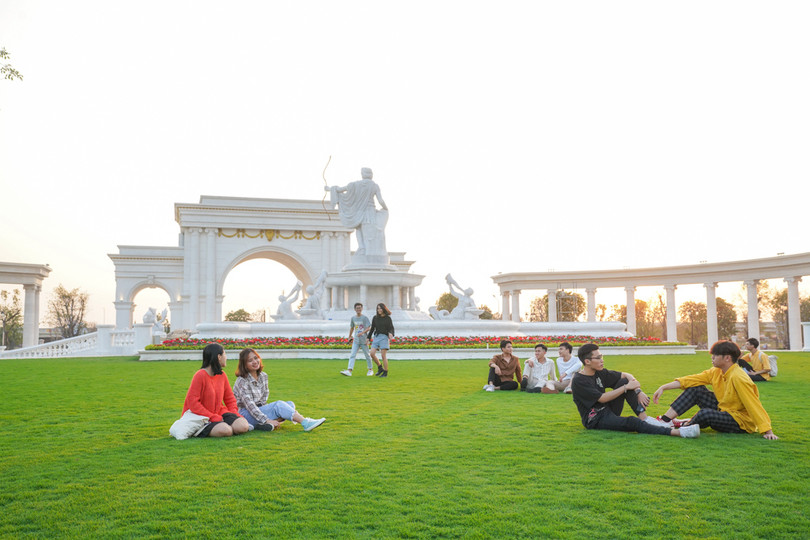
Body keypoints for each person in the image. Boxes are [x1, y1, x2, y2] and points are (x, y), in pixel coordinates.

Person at [652, 340, 778, 440]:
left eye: (715, 355)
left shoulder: (738, 377)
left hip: (740, 421)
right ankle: (665, 421)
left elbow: (753, 404)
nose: (712, 358)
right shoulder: (716, 371)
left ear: (727, 358)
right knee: (696, 389)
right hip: (724, 409)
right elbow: (691, 380)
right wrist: (664, 387)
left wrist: (768, 431)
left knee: (705, 414)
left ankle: (683, 428)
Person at [570, 343, 700, 438]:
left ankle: (646, 419)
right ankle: (678, 432)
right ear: (587, 361)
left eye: (601, 356)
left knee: (624, 381)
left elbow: (627, 375)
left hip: (608, 409)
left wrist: (638, 391)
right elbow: (602, 398)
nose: (602, 360)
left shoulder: (600, 372)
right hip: (595, 418)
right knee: (632, 422)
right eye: (598, 358)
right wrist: (626, 388)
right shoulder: (579, 380)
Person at [232, 348, 326, 432]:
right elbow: (250, 406)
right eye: (250, 360)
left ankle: (263, 425)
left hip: (260, 410)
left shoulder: (263, 376)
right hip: (246, 414)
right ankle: (305, 423)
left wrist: (267, 413)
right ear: (244, 365)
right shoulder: (242, 381)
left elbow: (263, 400)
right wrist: (266, 419)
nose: (255, 362)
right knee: (279, 405)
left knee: (289, 404)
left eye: (256, 358)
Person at [181, 343, 251, 438]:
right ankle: (198, 430)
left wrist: (234, 413)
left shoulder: (222, 375)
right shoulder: (200, 375)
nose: (226, 358)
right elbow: (193, 403)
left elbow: (229, 398)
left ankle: (222, 425)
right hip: (201, 417)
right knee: (226, 431)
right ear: (219, 357)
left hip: (219, 412)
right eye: (225, 354)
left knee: (243, 426)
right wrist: (212, 417)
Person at [340, 302, 373, 376]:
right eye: (357, 308)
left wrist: (362, 333)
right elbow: (352, 327)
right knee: (352, 355)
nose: (358, 309)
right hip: (356, 340)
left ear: (362, 309)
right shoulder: (353, 318)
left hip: (364, 340)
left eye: (360, 308)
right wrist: (349, 336)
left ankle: (370, 370)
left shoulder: (364, 318)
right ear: (355, 309)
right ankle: (349, 370)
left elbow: (369, 328)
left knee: (367, 355)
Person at [368, 302, 395, 377]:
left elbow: (391, 328)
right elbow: (372, 329)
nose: (379, 310)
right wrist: (368, 338)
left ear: (384, 309)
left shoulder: (388, 318)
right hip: (377, 337)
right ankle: (380, 367)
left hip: (384, 337)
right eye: (378, 308)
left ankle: (385, 372)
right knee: (372, 354)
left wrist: (391, 333)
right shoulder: (375, 318)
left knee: (383, 356)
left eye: (380, 308)